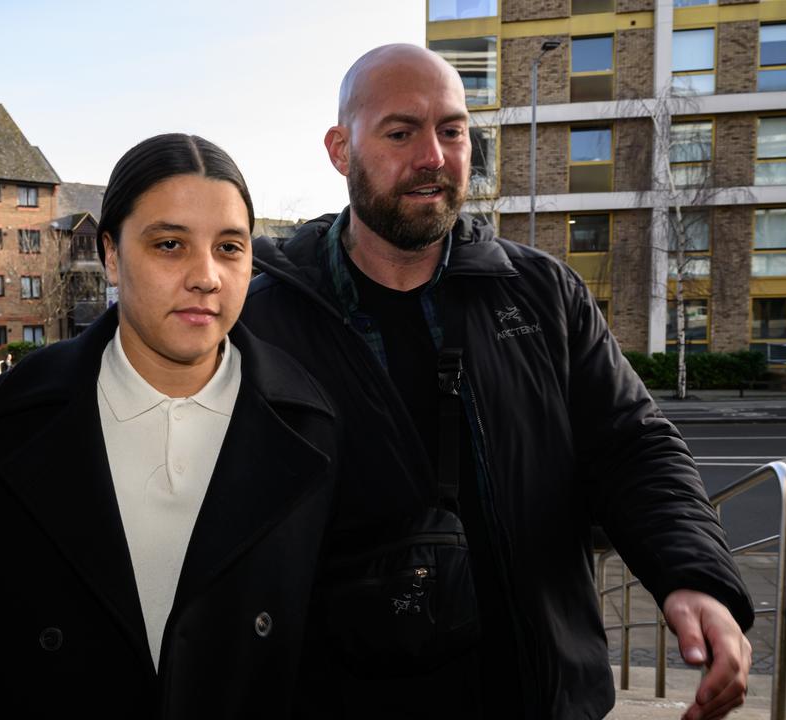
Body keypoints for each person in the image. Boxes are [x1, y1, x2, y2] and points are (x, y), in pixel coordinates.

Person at [241, 44, 754, 720]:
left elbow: (634, 447)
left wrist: (693, 577)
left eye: (452, 130)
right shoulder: (262, 321)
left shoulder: (542, 294)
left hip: (538, 694)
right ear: (342, 149)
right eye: (401, 132)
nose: (435, 156)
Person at [0, 133, 338, 718]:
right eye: (170, 244)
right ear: (110, 254)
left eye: (230, 247)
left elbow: (333, 642)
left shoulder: (311, 424)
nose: (206, 276)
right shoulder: (3, 420)